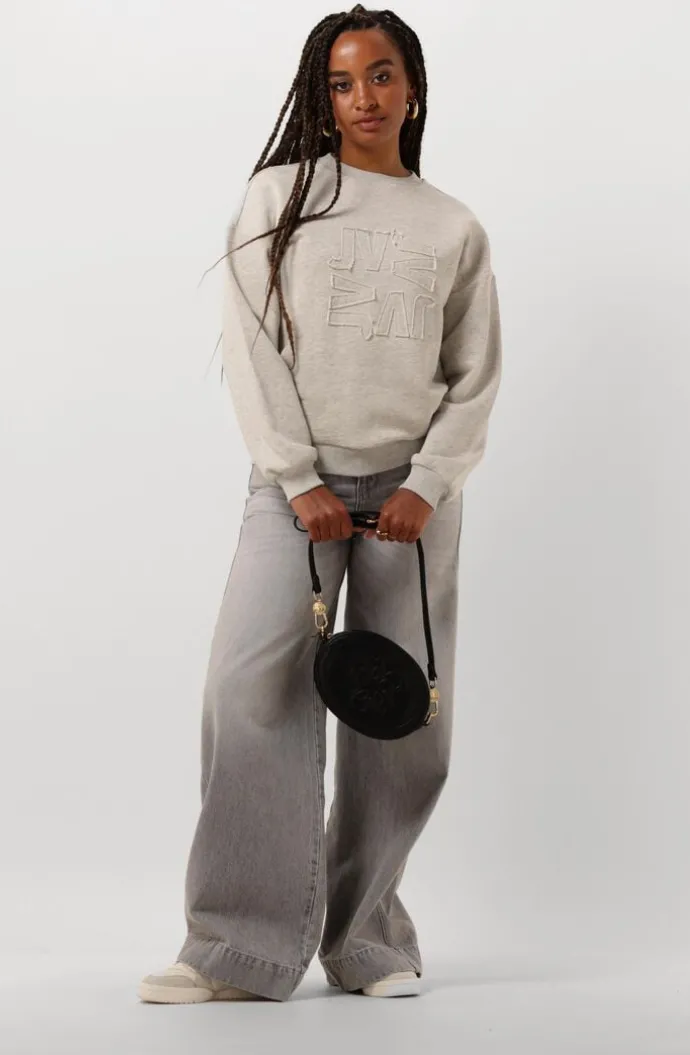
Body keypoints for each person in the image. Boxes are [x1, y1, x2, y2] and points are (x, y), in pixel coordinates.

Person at [138, 3, 502, 1005]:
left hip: (412, 501)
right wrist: (296, 475)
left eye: (380, 76)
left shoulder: (453, 227)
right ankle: (236, 947)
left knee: (400, 717)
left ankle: (368, 939)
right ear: (321, 95)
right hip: (291, 494)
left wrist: (427, 484)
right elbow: (251, 343)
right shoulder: (281, 197)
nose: (362, 98)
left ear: (412, 87)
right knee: (247, 690)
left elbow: (474, 375)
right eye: (341, 83)